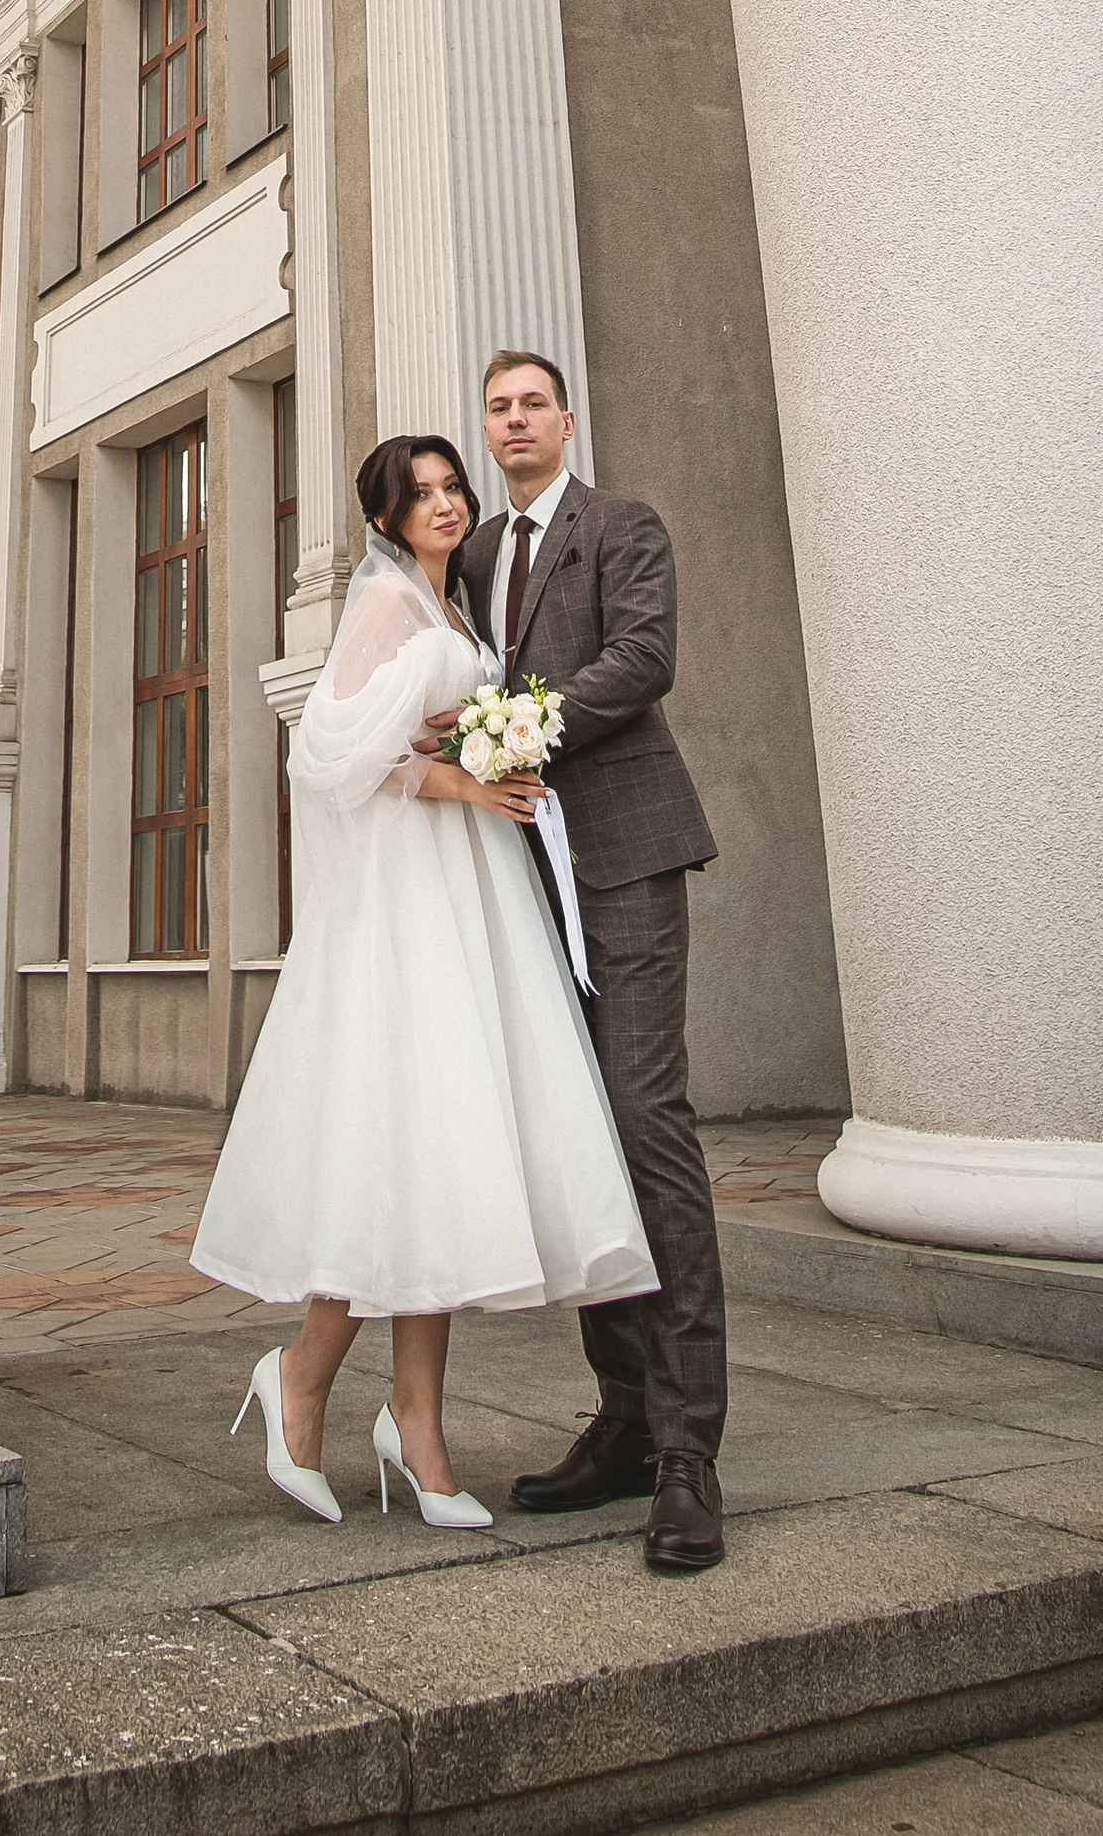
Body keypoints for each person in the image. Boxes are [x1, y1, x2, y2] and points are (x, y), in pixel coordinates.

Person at [189, 430, 655, 1531]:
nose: (445, 504)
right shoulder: (386, 606)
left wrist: (488, 751)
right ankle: (303, 1379)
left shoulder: (457, 606)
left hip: (471, 890)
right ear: (386, 518)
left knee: (442, 1152)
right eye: (421, 494)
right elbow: (327, 755)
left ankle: (414, 1419)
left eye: (452, 487)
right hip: (409, 899)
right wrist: (458, 778)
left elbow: (428, 733)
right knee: (394, 1140)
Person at [440, 349, 728, 1576]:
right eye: (496, 408)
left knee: (646, 1122)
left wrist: (522, 726)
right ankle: (621, 1417)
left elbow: (644, 657)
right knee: (577, 1133)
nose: (514, 421)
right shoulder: (471, 556)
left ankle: (687, 1451)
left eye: (530, 405)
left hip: (623, 855)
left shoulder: (621, 526)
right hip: (522, 876)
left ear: (566, 420)